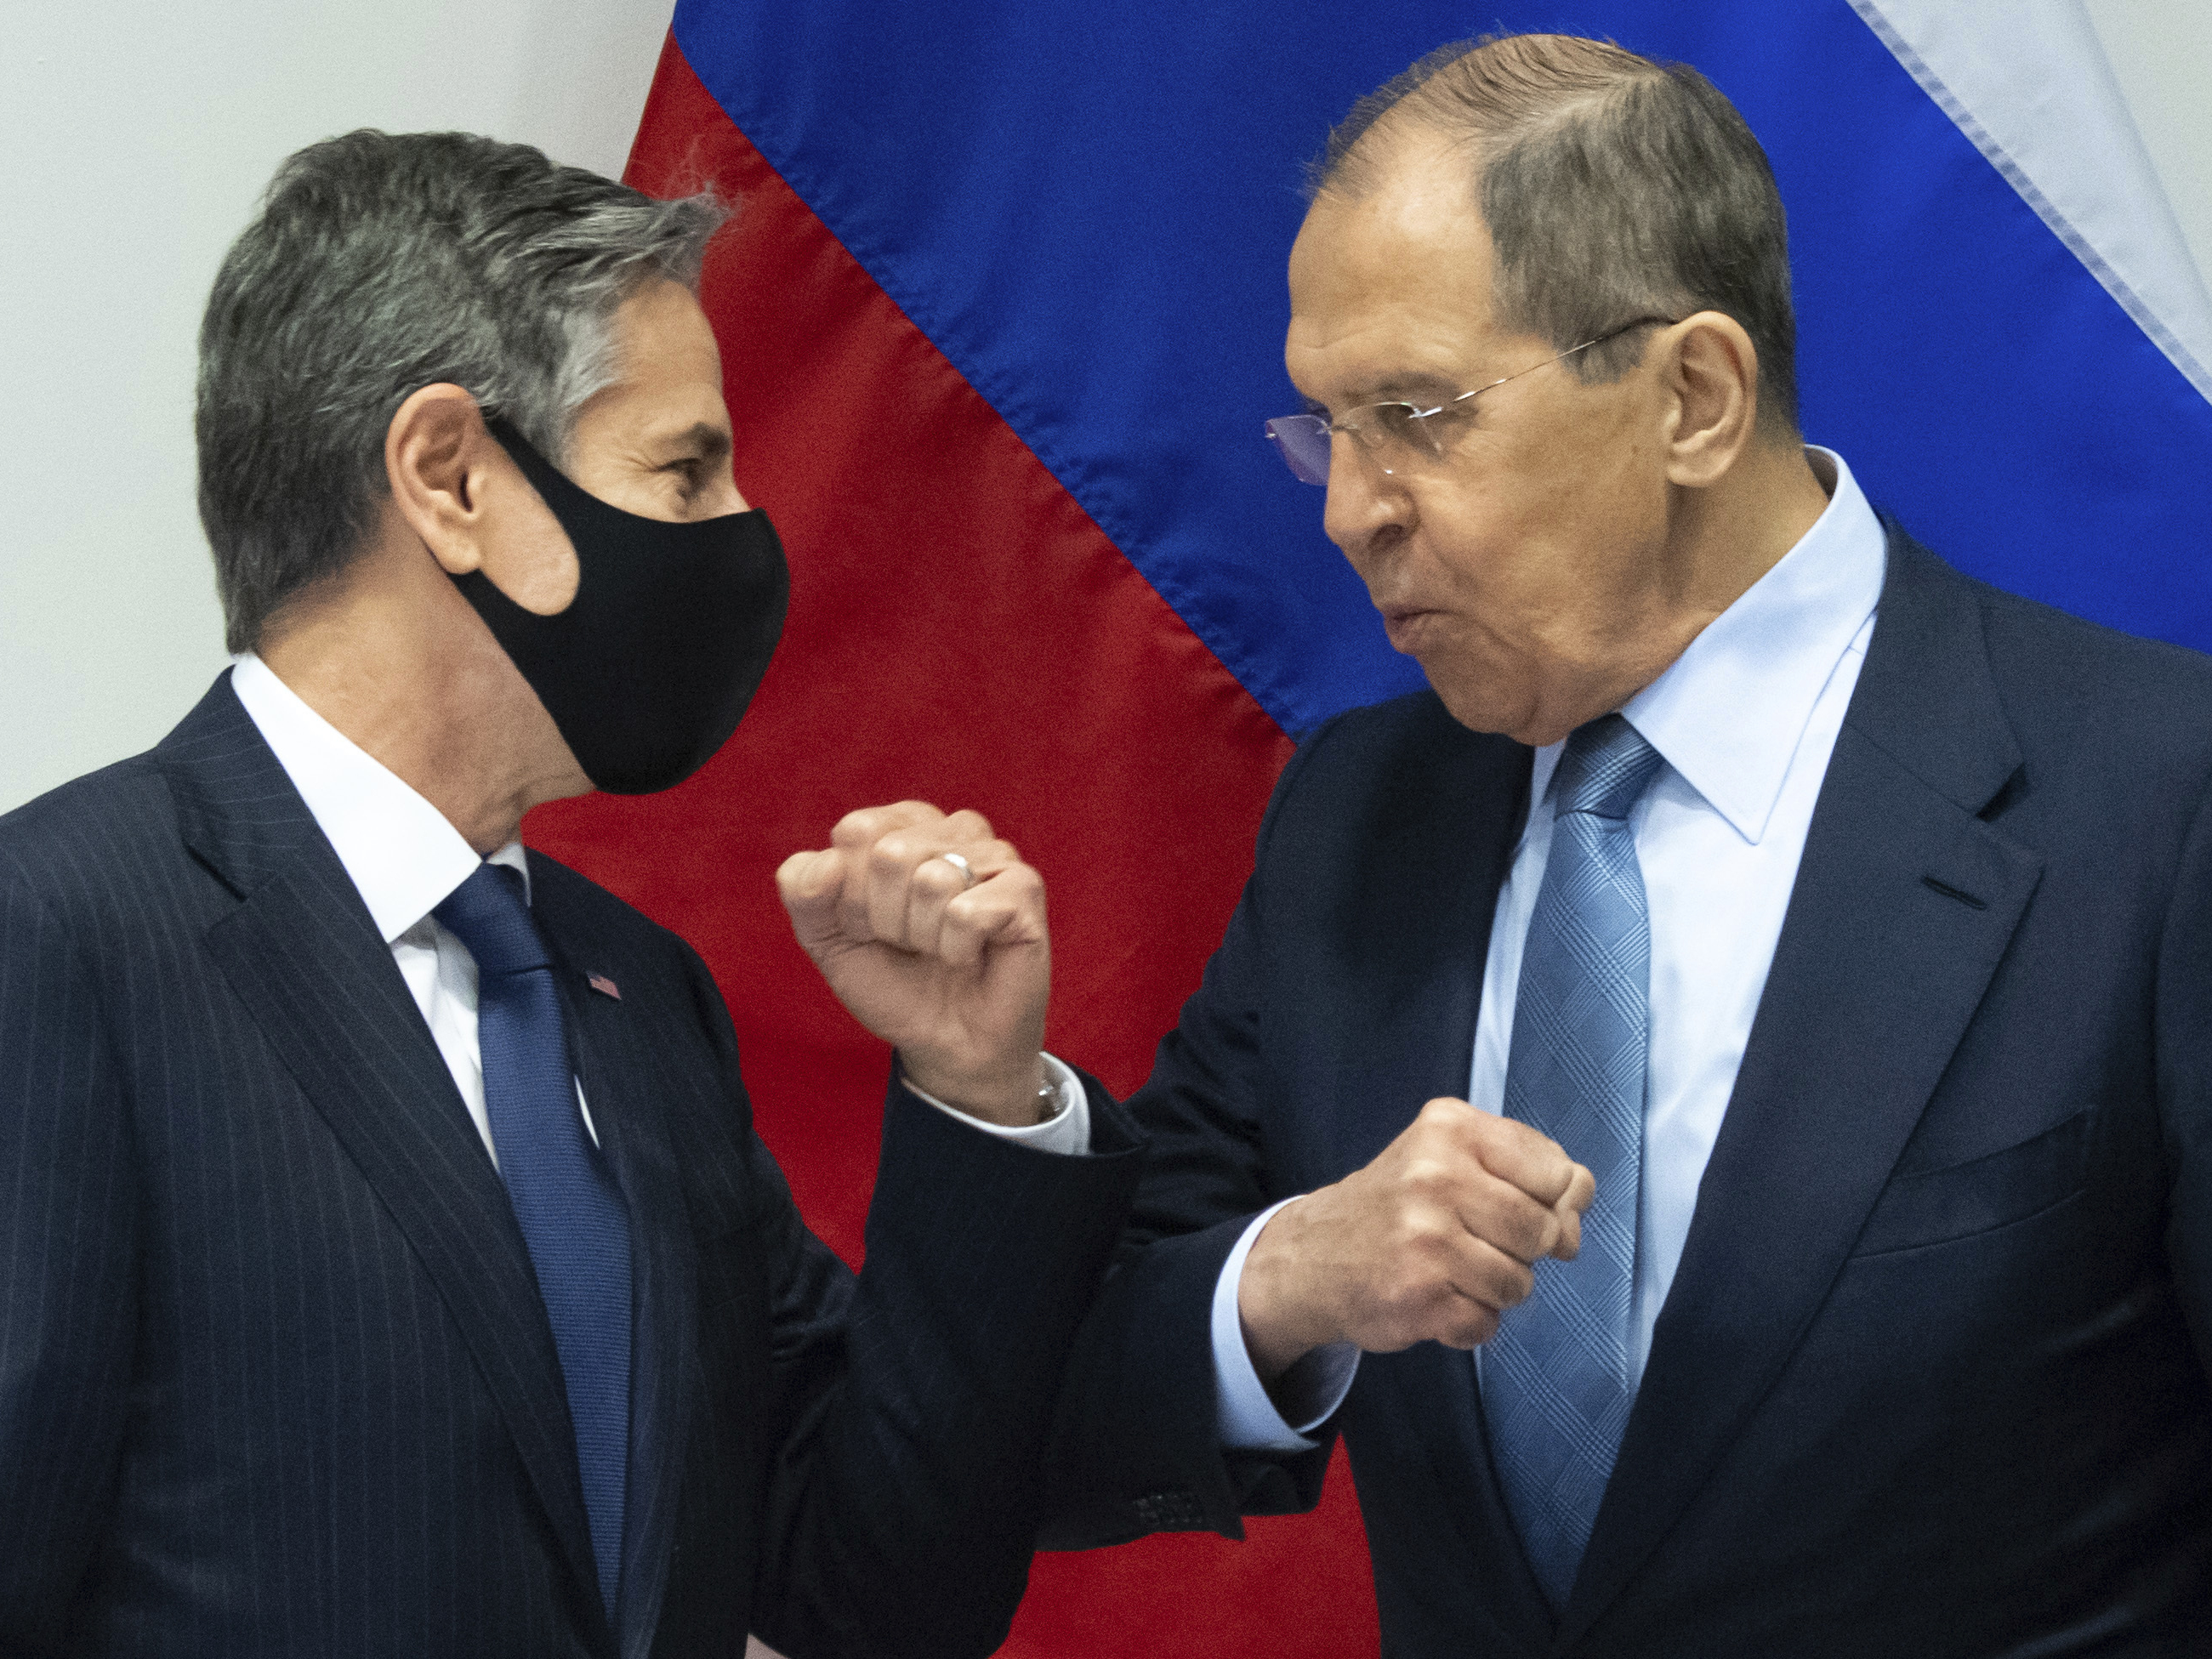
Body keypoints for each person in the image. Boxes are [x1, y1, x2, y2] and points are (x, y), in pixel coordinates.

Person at [1038, 33, 2212, 1656]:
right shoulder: (1357, 822)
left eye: (1414, 415)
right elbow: (1058, 1415)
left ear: (1692, 400)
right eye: (1327, 428)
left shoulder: (2159, 801)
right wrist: (1293, 1272)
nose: (1348, 509)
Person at [0, 130, 1143, 1659]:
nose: (742, 528)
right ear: (450, 477)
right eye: (685, 468)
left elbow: (873, 1592)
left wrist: (975, 1093)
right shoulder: (58, 941)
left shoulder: (633, 993)